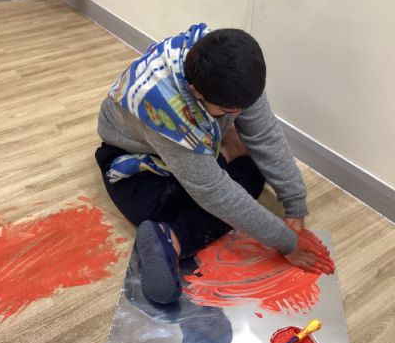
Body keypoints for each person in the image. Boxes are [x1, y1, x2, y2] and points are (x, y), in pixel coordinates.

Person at [95, 23, 334, 304]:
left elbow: (265, 135)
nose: (240, 114)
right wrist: (286, 241)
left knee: (253, 172)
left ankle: (177, 226)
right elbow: (215, 194)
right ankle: (174, 233)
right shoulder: (165, 110)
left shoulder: (233, 71)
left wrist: (295, 201)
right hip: (130, 158)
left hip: (188, 149)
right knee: (190, 201)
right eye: (229, 111)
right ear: (196, 92)